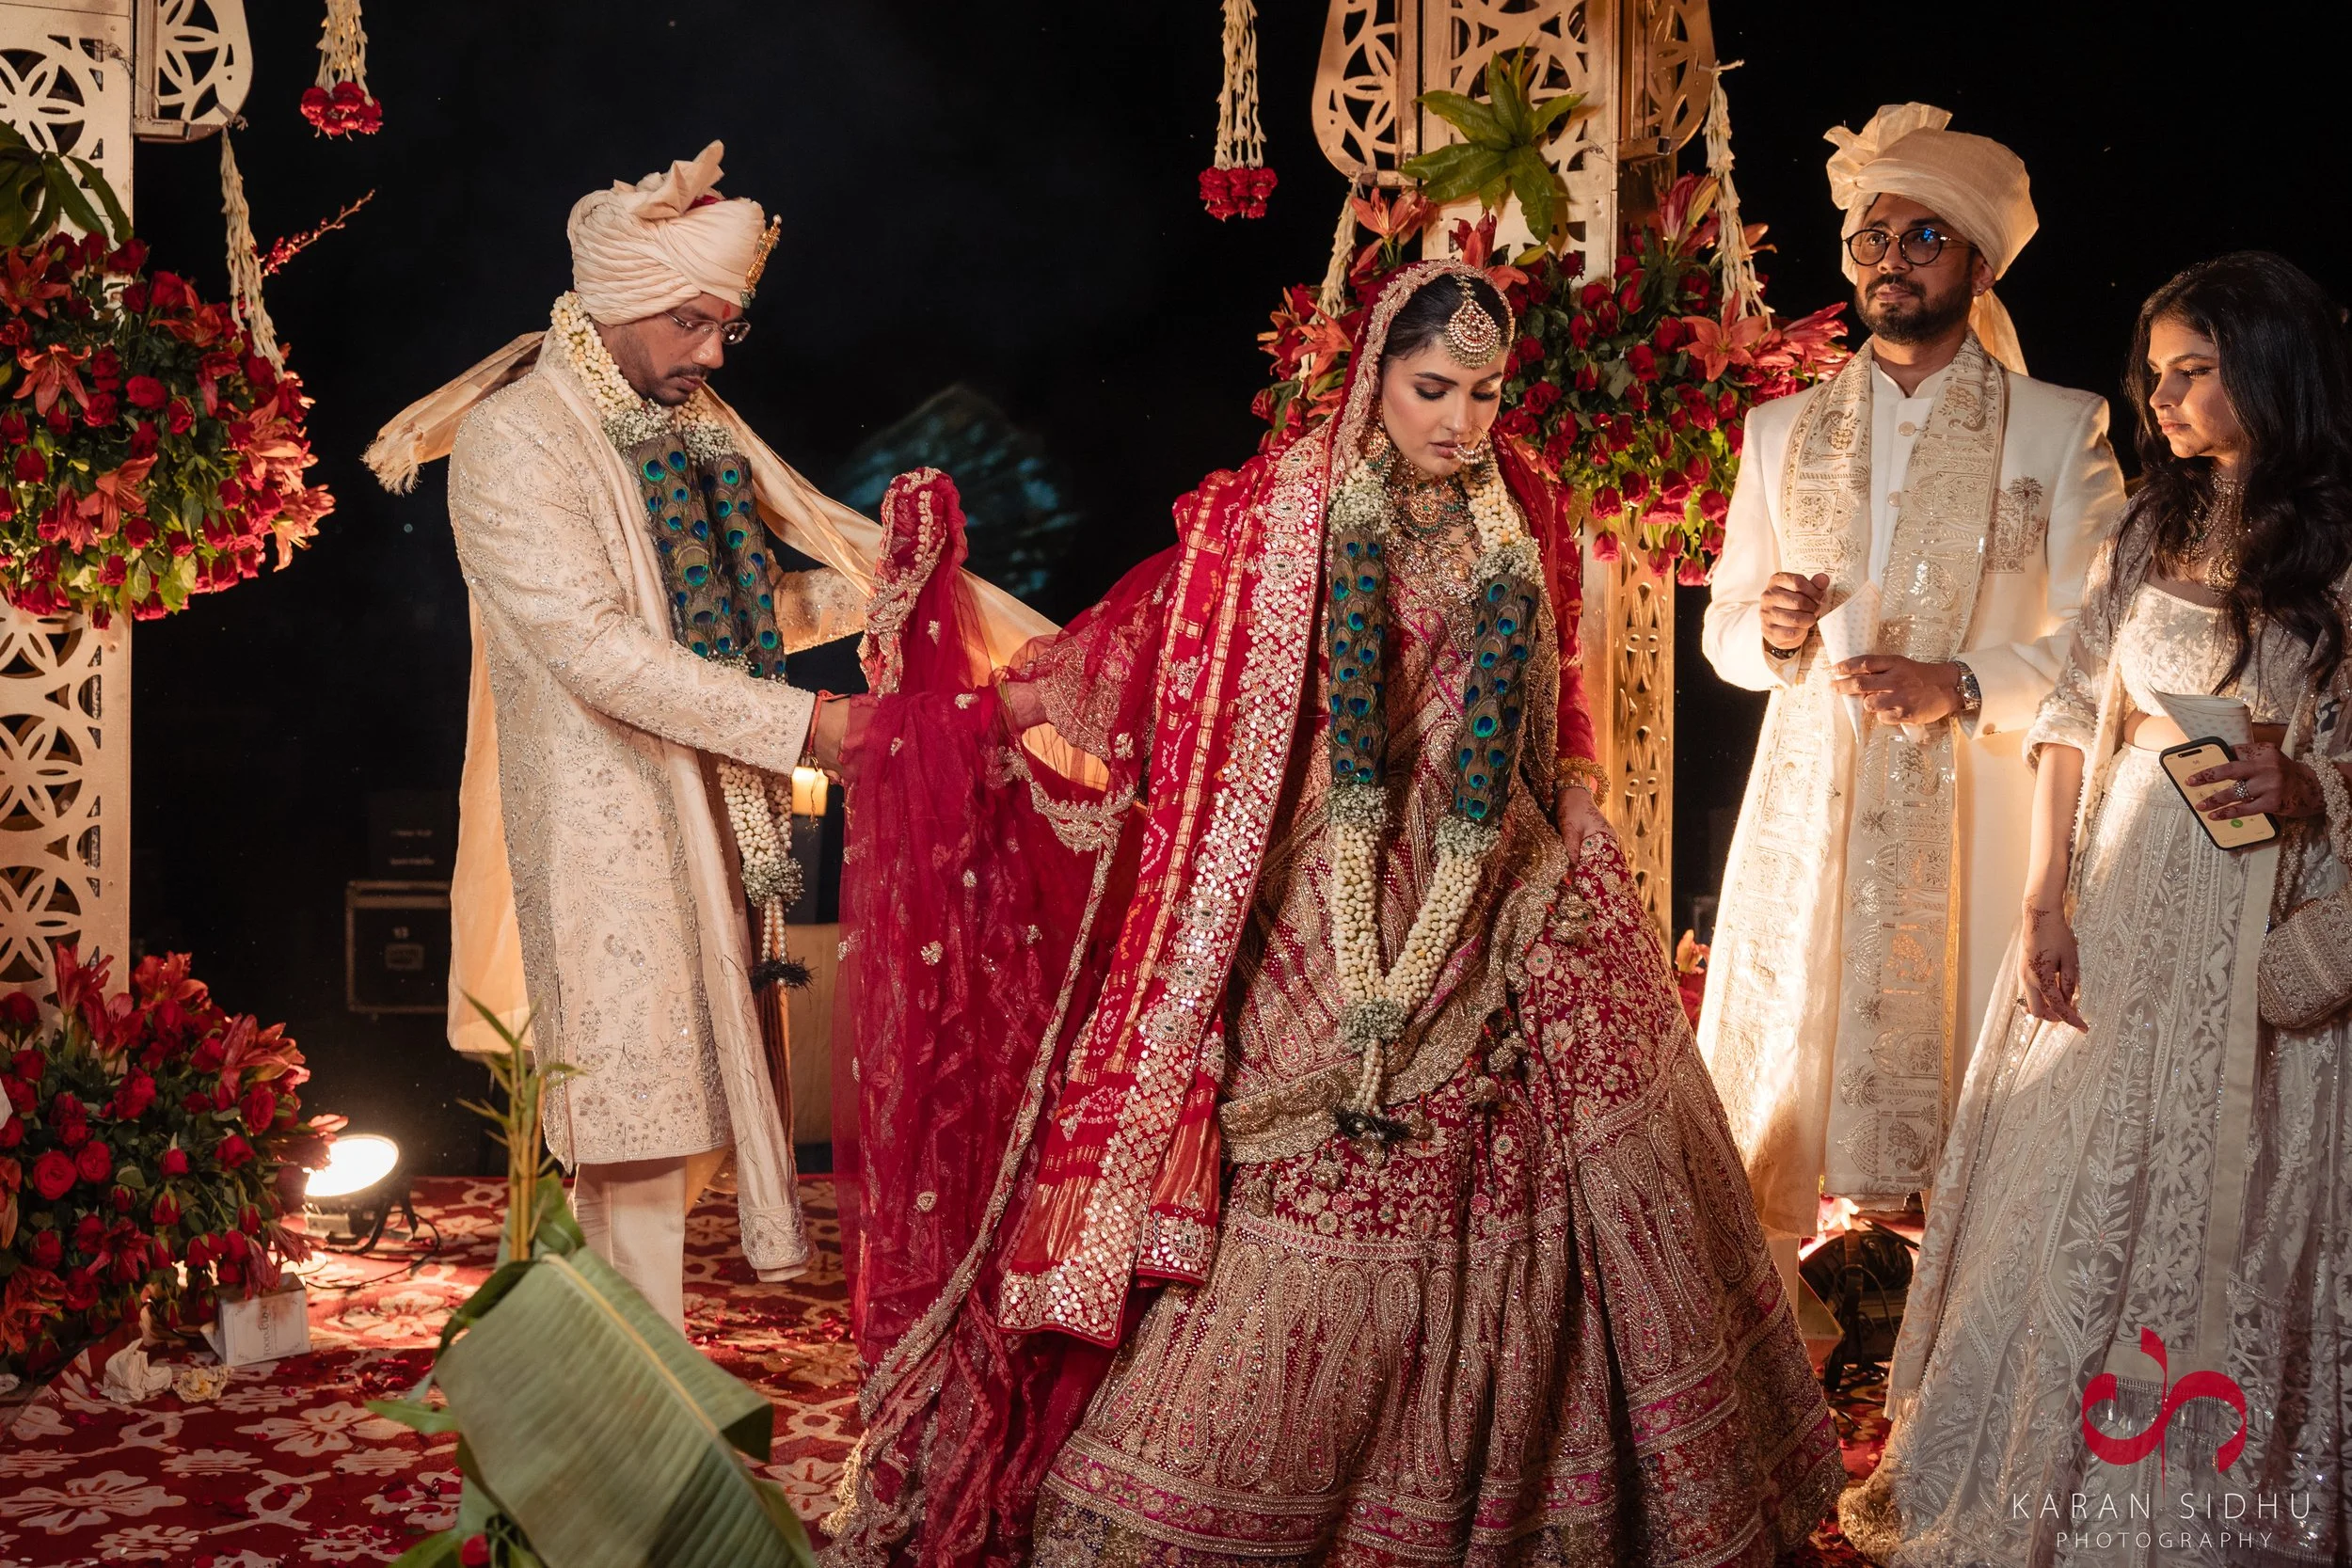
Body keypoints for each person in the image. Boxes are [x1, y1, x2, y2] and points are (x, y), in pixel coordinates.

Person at [816, 261, 1841, 1568]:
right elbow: (1145, 644)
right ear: (1371, 377)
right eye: (1432, 389)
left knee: (1592, 1175)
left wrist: (1579, 784)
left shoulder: (1523, 500)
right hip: (1326, 900)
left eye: (1485, 390)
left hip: (1514, 886)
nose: (1463, 418)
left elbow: (1560, 685)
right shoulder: (1277, 518)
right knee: (1318, 1197)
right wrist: (960, 719)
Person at [361, 145, 1044, 1328]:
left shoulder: (678, 430)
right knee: (633, 1132)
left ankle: (634, 1412)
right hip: (605, 835)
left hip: (713, 819)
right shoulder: (519, 441)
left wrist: (876, 595)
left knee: (679, 1127)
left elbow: (728, 622)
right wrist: (818, 729)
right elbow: (601, 648)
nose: (715, 353)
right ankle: (621, 1430)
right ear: (621, 303)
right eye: (692, 323)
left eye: (728, 326)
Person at [1840, 253, 2352, 1565]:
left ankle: (2200, 1501)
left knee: (2235, 1209)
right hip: (2126, 899)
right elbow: (2072, 712)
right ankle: (2036, 1482)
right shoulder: (2149, 526)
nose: (2162, 397)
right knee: (2067, 1194)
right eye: (2157, 373)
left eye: (2193, 371)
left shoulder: (2340, 544)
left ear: (2273, 370)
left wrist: (2308, 780)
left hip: (2261, 914)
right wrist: (2045, 899)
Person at [1696, 103, 2127, 1277]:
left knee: (1981, 1157)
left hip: (1985, 808)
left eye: (1923, 237)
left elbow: (2108, 635)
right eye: (1871, 239)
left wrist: (1964, 682)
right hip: (1815, 807)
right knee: (1792, 1091)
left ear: (1977, 261)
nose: (1890, 261)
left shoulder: (2059, 427)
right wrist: (1770, 633)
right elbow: (1725, 629)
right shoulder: (1781, 432)